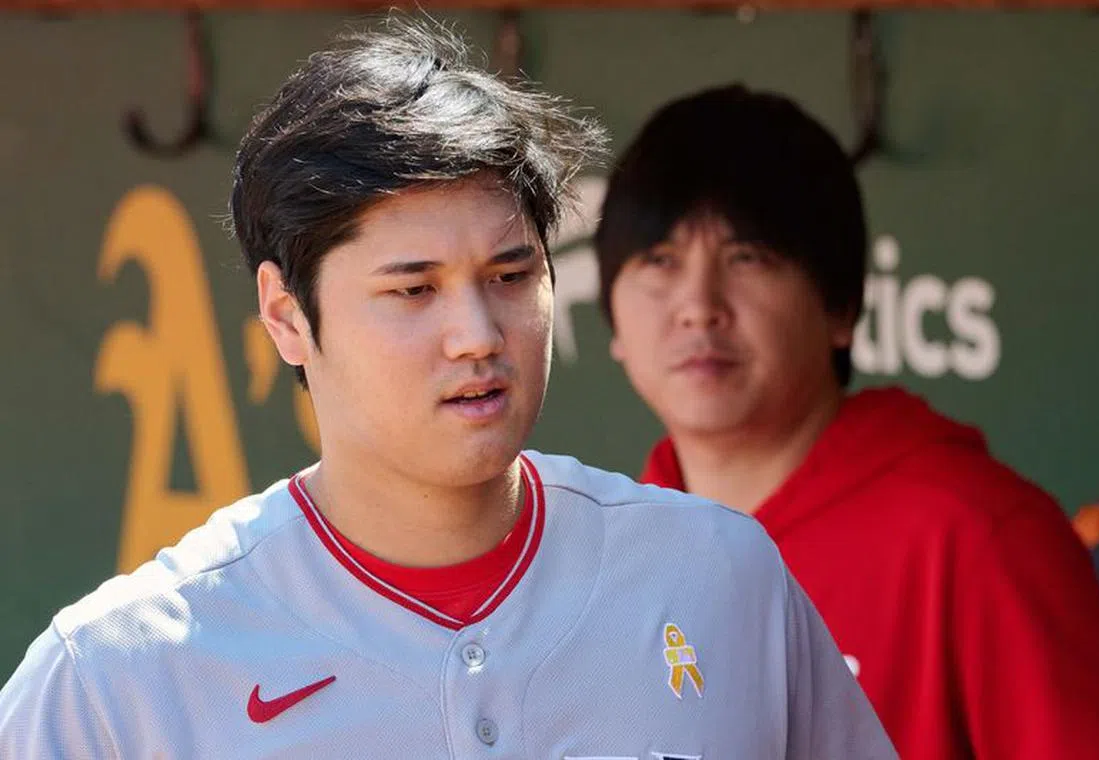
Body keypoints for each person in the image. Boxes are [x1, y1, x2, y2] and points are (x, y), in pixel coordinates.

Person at [0, 21, 895, 759]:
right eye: (413, 290)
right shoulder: (117, 678)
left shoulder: (719, 576)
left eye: (510, 275)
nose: (477, 334)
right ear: (286, 315)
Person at [594, 84, 1099, 760]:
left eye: (747, 258)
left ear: (842, 307)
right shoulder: (604, 553)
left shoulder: (977, 535)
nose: (698, 307)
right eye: (660, 262)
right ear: (613, 318)